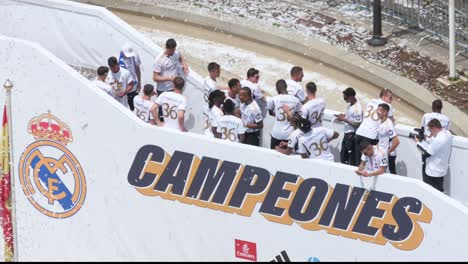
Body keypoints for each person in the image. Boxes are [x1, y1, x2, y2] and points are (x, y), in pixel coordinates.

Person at [354, 89, 394, 166]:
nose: (392, 100)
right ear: (384, 97)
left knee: (358, 161)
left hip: (359, 133)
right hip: (370, 136)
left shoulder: (371, 101)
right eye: (390, 98)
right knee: (369, 163)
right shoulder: (387, 106)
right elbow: (391, 120)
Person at [414, 119, 453, 192]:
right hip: (441, 169)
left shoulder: (439, 140)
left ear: (434, 128)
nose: (430, 133)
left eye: (430, 130)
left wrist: (417, 143)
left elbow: (426, 154)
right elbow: (435, 145)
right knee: (439, 190)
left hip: (433, 171)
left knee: (432, 192)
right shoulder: (447, 134)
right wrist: (426, 139)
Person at [266, 79, 301, 149]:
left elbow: (270, 113)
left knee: (273, 156)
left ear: (276, 89)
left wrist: (277, 114)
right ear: (286, 87)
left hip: (276, 134)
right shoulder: (296, 100)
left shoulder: (273, 99)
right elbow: (297, 116)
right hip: (289, 135)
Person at [334, 87, 362, 165]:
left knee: (349, 158)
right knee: (343, 156)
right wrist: (342, 116)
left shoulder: (357, 109)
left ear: (351, 97)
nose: (344, 99)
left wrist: (345, 119)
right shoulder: (350, 105)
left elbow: (358, 124)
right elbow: (350, 117)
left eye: (345, 97)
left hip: (351, 136)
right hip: (346, 134)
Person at [377, 103, 400, 174]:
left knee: (391, 173)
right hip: (381, 153)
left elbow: (396, 141)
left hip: (389, 155)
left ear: (385, 112)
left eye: (379, 111)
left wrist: (387, 153)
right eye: (377, 110)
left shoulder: (388, 125)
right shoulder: (380, 121)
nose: (377, 113)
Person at [119, 43, 142, 111]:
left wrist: (139, 81)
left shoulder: (135, 55)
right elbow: (117, 76)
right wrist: (119, 89)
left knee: (135, 107)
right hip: (123, 87)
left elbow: (137, 68)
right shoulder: (118, 58)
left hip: (133, 86)